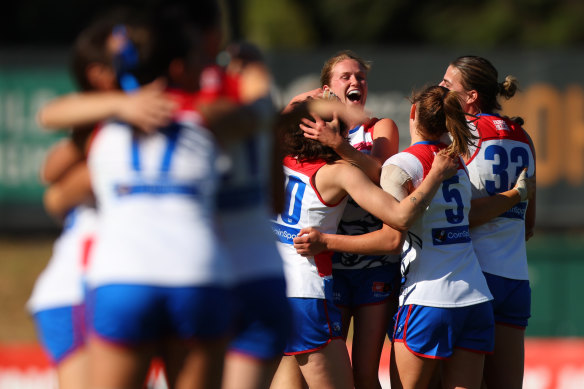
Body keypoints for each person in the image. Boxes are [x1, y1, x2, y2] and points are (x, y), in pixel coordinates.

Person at [83, 9, 234, 388]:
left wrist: (117, 102)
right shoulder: (206, 122)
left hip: (123, 276)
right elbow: (257, 114)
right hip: (199, 273)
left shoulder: (104, 129)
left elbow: (51, 114)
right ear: (180, 69)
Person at [270, 99, 459, 389]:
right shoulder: (338, 172)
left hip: (279, 290)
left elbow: (284, 112)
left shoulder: (281, 158)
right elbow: (400, 217)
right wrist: (434, 175)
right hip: (308, 295)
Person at [286, 50, 401, 389]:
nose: (355, 82)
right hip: (329, 267)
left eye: (361, 78)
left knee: (363, 374)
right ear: (328, 88)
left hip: (372, 262)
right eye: (346, 77)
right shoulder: (310, 127)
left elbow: (382, 175)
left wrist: (340, 146)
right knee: (317, 370)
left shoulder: (379, 127)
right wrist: (306, 99)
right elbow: (278, 125)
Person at [439, 55, 536, 389]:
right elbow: (529, 224)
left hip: (473, 279)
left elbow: (457, 216)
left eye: (448, 84)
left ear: (471, 97)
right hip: (515, 281)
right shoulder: (524, 136)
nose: (440, 88)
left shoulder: (462, 133)